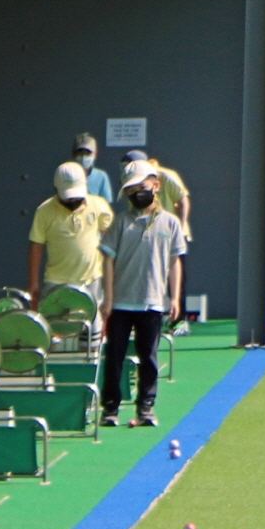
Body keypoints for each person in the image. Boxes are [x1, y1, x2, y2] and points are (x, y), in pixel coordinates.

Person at [100, 166, 187, 429]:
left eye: (141, 187)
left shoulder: (170, 223)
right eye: (131, 190)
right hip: (121, 303)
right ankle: (110, 408)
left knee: (148, 357)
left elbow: (175, 261)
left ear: (155, 186)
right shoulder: (120, 222)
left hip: (152, 302)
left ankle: (146, 407)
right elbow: (108, 260)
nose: (137, 193)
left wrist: (174, 298)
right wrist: (108, 298)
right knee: (114, 356)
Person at [25, 163, 114, 306]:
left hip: (92, 280)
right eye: (68, 196)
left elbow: (112, 242)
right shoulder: (44, 211)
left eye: (76, 195)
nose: (72, 200)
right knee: (54, 319)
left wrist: (113, 279)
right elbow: (36, 246)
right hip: (56, 281)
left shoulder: (99, 205)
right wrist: (33, 281)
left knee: (92, 320)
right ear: (56, 189)